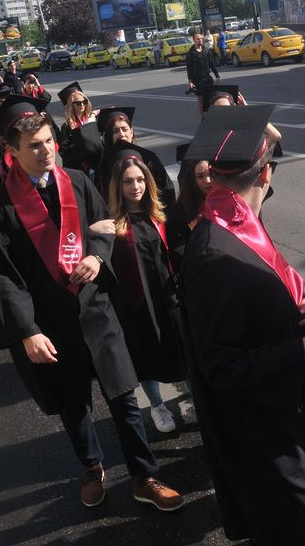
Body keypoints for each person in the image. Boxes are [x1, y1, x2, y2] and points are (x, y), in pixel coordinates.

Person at [0, 97, 184, 511]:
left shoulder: (75, 180)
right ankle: (92, 467)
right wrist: (27, 331)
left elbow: (103, 228)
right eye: (34, 145)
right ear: (13, 151)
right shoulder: (0, 205)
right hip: (50, 320)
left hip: (96, 309)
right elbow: (2, 274)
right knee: (72, 404)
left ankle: (144, 476)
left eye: (48, 141)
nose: (46, 150)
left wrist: (96, 256)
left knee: (124, 396)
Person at [178, 105, 305, 544]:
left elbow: (264, 294)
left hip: (290, 406)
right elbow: (221, 367)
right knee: (304, 531)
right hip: (263, 431)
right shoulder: (215, 254)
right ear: (266, 174)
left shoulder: (237, 219)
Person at [104, 142, 185, 435]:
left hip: (167, 298)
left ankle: (196, 395)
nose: (135, 186)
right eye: (128, 181)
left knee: (181, 349)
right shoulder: (111, 224)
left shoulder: (160, 215)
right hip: (135, 304)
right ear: (118, 185)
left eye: (140, 180)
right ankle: (157, 405)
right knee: (145, 357)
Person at [95, 106, 174, 209]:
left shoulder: (149, 158)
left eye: (125, 129)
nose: (122, 134)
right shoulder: (104, 163)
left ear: (131, 132)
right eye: (115, 131)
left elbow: (166, 190)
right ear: (109, 135)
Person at [166, 143, 212, 272]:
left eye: (211, 174)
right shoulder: (178, 213)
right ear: (192, 180)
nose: (208, 180)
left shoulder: (226, 203)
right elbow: (178, 252)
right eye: (200, 176)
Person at [57, 82, 102, 175]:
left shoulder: (93, 120)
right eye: (78, 103)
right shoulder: (67, 126)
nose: (82, 105)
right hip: (79, 167)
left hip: (96, 163)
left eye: (84, 102)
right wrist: (80, 144)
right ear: (71, 105)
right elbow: (64, 151)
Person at [186, 32, 220, 115]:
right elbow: (189, 69)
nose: (200, 40)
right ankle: (203, 117)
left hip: (207, 78)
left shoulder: (206, 50)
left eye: (201, 38)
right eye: (198, 39)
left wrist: (217, 76)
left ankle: (213, 114)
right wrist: (190, 81)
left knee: (213, 96)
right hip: (197, 80)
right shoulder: (191, 53)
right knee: (201, 99)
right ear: (194, 40)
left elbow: (212, 64)